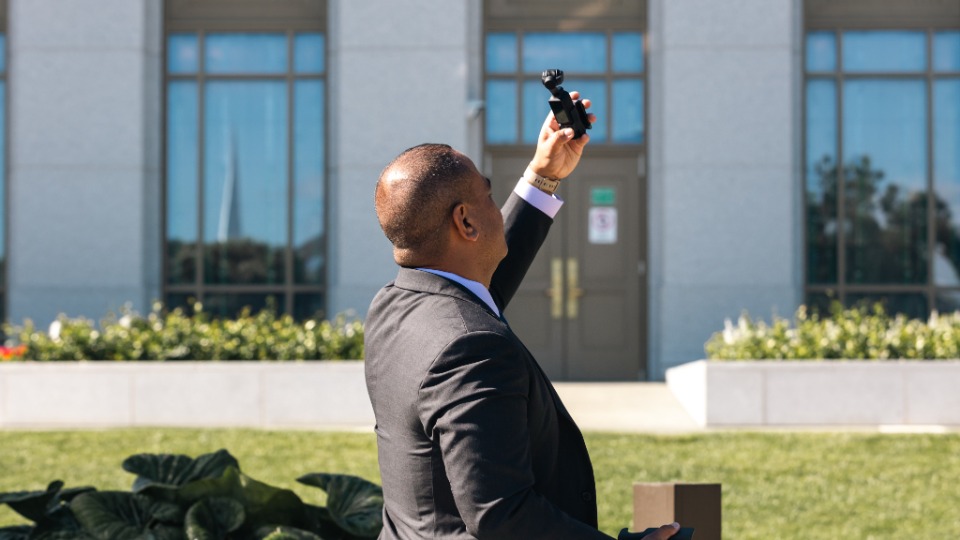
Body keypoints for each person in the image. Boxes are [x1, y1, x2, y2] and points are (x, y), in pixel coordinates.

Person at [365, 93, 681, 539]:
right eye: (489, 198)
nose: (496, 208)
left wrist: (544, 176)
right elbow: (502, 515)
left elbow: (474, 293)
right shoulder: (470, 348)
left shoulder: (393, 307)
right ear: (466, 224)